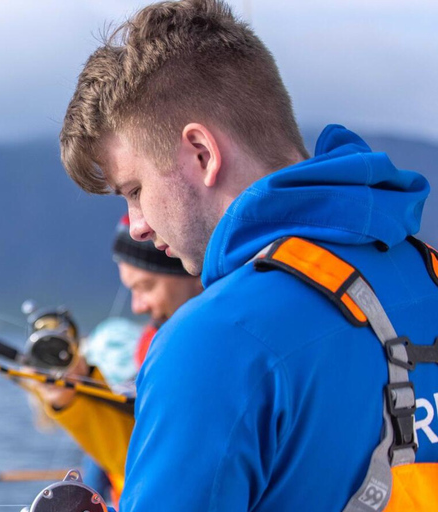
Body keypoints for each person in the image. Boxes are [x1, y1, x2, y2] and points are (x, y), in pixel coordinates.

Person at [59, 1, 438, 511]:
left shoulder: (211, 344)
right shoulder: (428, 273)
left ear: (202, 153)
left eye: (135, 189)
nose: (140, 224)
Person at [31, 214, 202, 504]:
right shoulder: (157, 343)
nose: (137, 306)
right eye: (131, 289)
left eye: (146, 286)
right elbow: (137, 459)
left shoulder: (197, 352)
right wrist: (69, 397)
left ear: (192, 270)